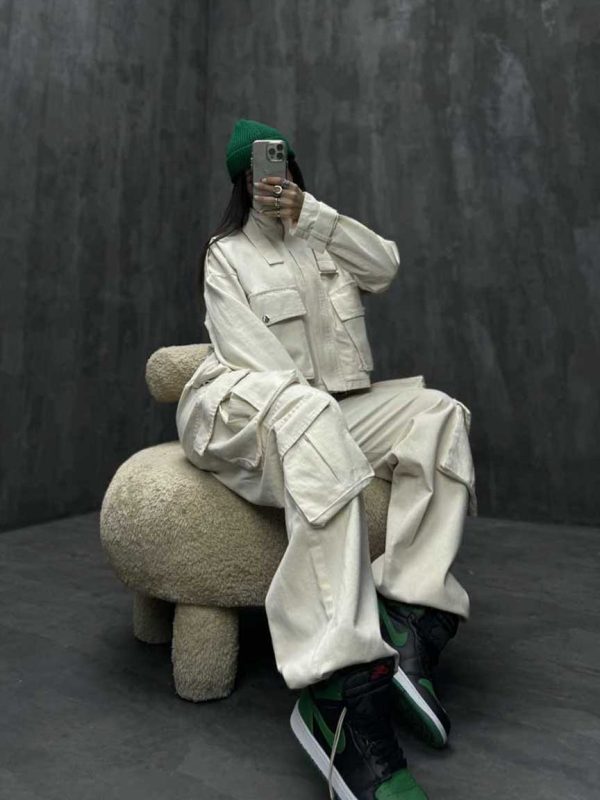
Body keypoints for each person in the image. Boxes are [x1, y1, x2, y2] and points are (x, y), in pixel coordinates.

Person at [176, 118, 478, 800]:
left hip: (328, 410)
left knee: (438, 413)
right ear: (242, 183)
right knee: (315, 424)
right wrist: (324, 428)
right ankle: (338, 694)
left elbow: (386, 266)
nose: (272, 181)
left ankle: (412, 618)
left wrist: (312, 216)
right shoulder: (226, 254)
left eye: (282, 167)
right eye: (259, 172)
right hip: (250, 411)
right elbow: (260, 364)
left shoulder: (320, 236)